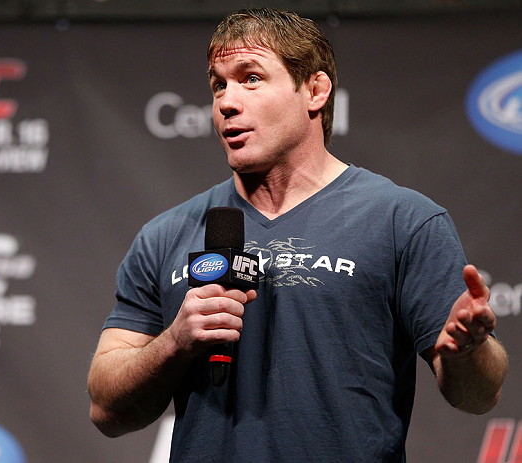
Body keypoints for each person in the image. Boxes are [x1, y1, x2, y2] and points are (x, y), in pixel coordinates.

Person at [87, 8, 508, 461]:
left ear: (315, 90)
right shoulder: (165, 235)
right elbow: (105, 409)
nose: (227, 101)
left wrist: (469, 351)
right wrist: (174, 342)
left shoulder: (402, 220)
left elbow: (477, 396)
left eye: (250, 78)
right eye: (218, 84)